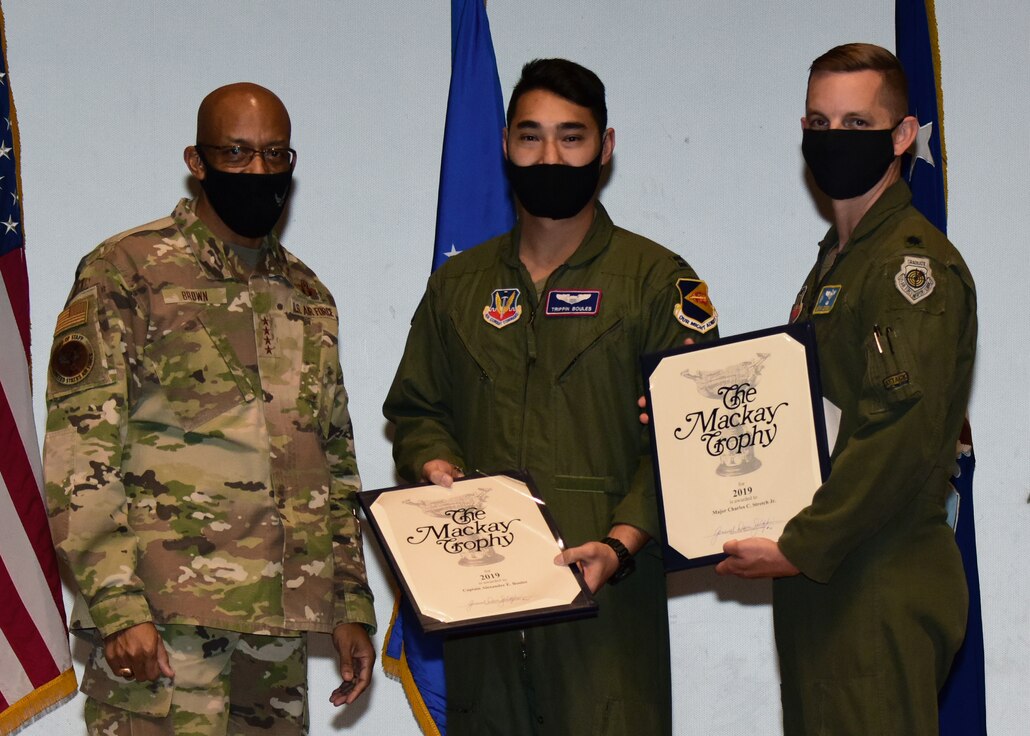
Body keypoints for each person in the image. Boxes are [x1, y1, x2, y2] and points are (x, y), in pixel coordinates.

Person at [383, 58, 718, 735]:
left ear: (606, 146)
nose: (550, 155)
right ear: (505, 144)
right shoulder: (461, 286)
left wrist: (622, 544)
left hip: (608, 615)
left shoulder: (656, 282)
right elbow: (417, 410)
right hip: (485, 615)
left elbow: (694, 438)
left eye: (572, 136)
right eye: (531, 136)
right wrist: (434, 462)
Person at [43, 83, 376, 735]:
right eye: (238, 152)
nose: (259, 172)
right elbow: (81, 455)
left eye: (275, 155)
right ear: (197, 161)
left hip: (276, 636)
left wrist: (350, 605)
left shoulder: (307, 294)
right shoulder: (127, 269)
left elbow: (332, 462)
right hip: (164, 628)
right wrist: (117, 605)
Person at [713, 44, 977, 734]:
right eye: (818, 123)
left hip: (877, 575)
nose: (833, 141)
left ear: (902, 136)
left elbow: (900, 431)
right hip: (833, 578)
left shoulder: (906, 269)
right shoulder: (837, 267)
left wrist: (802, 544)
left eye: (856, 125)